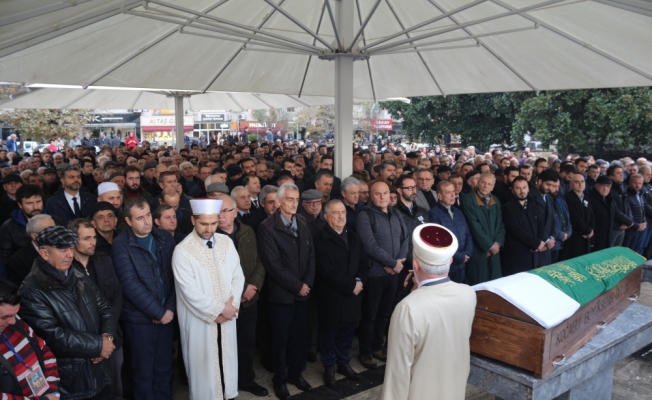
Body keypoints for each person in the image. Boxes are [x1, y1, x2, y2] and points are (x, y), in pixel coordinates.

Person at [19, 226, 118, 399]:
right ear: (44, 254)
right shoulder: (31, 290)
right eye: (63, 250)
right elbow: (53, 336)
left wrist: (107, 338)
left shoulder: (77, 274)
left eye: (71, 248)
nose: (70, 255)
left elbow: (105, 308)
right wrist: (98, 345)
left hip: (99, 370)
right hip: (70, 381)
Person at [382, 224, 476, 400]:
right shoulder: (468, 294)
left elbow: (398, 374)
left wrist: (415, 295)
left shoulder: (408, 308)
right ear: (450, 261)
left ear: (415, 265)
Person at [171, 199, 245, 400]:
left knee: (227, 365)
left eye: (213, 223)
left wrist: (232, 307)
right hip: (201, 322)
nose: (209, 228)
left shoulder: (226, 242)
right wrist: (219, 310)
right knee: (203, 369)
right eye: (204, 223)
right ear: (193, 220)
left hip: (228, 317)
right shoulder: (183, 251)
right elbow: (189, 292)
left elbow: (238, 277)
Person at [112, 197, 176, 400]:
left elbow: (175, 277)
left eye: (148, 215)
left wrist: (170, 309)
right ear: (129, 221)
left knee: (164, 370)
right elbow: (130, 284)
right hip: (140, 322)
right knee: (144, 374)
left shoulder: (164, 238)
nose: (147, 221)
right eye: (140, 218)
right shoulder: (120, 245)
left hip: (167, 315)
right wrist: (158, 312)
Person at [257, 183, 315, 400]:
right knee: (280, 340)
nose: (294, 203)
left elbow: (311, 255)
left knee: (300, 338)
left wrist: (307, 283)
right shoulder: (267, 226)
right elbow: (273, 265)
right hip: (282, 295)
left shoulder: (301, 220)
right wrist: (298, 286)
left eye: (297, 199)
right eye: (290, 199)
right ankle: (280, 379)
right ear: (279, 201)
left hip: (303, 291)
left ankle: (296, 374)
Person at [215, 196, 267, 397]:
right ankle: (224, 386)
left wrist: (253, 286)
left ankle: (246, 380)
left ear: (235, 211)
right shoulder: (210, 236)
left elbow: (259, 261)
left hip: (248, 301)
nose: (221, 216)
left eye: (226, 210)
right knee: (223, 347)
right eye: (218, 211)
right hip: (226, 304)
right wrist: (237, 293)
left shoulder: (247, 231)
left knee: (246, 344)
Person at [314, 200, 368, 386]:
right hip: (333, 295)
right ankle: (330, 367)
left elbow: (363, 262)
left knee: (347, 331)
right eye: (335, 213)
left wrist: (360, 281)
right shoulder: (320, 239)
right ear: (326, 216)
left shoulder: (353, 236)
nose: (340, 216)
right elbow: (326, 271)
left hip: (353, 294)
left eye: (343, 212)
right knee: (330, 333)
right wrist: (350, 285)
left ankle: (343, 362)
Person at [355, 182, 408, 370]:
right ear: (370, 195)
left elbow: (405, 237)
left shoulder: (395, 213)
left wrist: (399, 261)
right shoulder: (365, 215)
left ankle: (378, 346)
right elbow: (369, 245)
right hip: (375, 274)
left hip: (394, 273)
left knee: (385, 313)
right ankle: (365, 351)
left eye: (385, 193)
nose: (382, 197)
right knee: (370, 314)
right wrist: (392, 263)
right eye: (378, 194)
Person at [69, 219, 124, 399]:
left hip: (110, 335)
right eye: (86, 238)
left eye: (93, 237)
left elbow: (116, 296)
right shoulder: (65, 268)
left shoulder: (104, 260)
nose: (93, 242)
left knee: (114, 386)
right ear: (73, 240)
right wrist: (94, 343)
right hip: (83, 340)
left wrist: (106, 336)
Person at [0, 279, 61, 399]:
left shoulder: (15, 321)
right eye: (5, 317)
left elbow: (44, 349)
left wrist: (52, 391)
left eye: (15, 314)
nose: (12, 321)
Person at [461, 173, 505, 285]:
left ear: (493, 187)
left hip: (495, 250)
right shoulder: (468, 200)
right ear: (478, 183)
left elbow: (501, 224)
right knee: (479, 284)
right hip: (478, 251)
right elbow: (474, 227)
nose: (485, 186)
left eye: (489, 184)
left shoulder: (496, 201)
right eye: (483, 182)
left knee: (495, 284)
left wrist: (497, 244)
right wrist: (489, 246)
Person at [500, 177, 548, 276]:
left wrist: (541, 241)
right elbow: (516, 230)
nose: (522, 191)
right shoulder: (507, 207)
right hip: (517, 254)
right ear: (512, 190)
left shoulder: (532, 204)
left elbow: (539, 223)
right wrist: (536, 243)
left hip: (534, 252)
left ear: (528, 189)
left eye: (524, 187)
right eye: (518, 188)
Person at [428, 181, 473, 283]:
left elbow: (468, 234)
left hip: (463, 264)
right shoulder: (434, 214)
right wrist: (459, 257)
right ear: (439, 196)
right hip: (448, 267)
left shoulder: (458, 211)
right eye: (448, 192)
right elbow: (439, 242)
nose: (453, 195)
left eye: (453, 191)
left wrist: (467, 253)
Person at [562, 174, 594, 260]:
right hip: (575, 237)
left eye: (582, 181)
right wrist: (587, 230)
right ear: (571, 185)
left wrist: (591, 231)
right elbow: (573, 217)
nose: (580, 184)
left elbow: (592, 216)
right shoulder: (567, 197)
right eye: (577, 182)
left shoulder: (587, 198)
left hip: (587, 236)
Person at [586, 176, 617, 251]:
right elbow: (589, 221)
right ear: (596, 185)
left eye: (608, 186)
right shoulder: (589, 199)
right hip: (595, 238)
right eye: (603, 186)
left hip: (607, 237)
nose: (605, 189)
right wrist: (591, 239)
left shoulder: (609, 199)